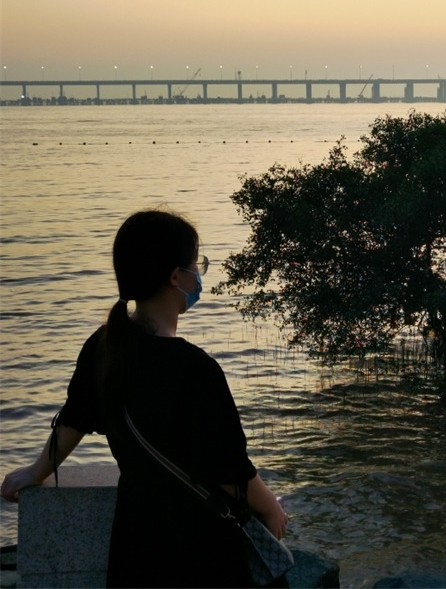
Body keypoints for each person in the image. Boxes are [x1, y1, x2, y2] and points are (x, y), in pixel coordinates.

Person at [1, 209, 289, 588]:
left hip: (136, 543)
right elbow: (231, 470)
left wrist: (37, 470)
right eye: (196, 264)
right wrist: (272, 511)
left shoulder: (103, 346)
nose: (198, 274)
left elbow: (76, 416)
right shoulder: (195, 368)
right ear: (175, 276)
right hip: (200, 552)